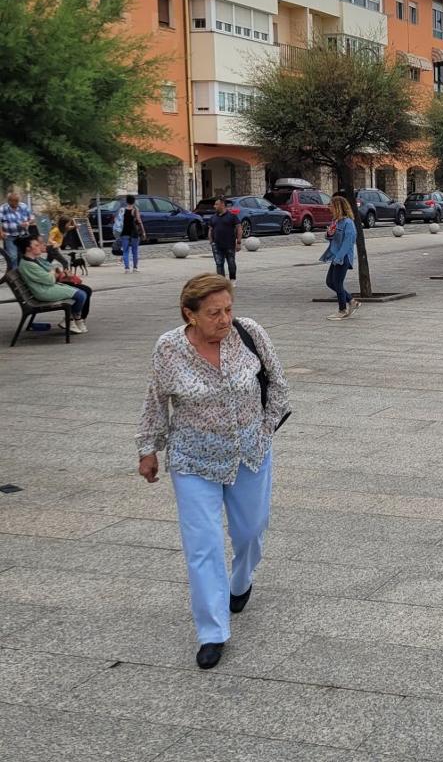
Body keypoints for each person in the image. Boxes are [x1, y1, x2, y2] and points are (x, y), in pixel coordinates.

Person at [137, 273, 289, 670]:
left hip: (248, 455)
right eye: (213, 313)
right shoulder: (169, 348)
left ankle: (241, 580)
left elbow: (277, 383)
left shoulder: (248, 333)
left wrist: (265, 429)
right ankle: (212, 631)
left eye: (228, 310)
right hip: (192, 460)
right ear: (190, 314)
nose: (224, 319)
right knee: (202, 546)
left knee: (251, 531)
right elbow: (156, 401)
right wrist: (147, 448)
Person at [16, 235, 91, 333]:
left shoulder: (31, 261)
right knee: (81, 295)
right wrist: (53, 273)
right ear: (28, 248)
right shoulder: (29, 264)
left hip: (46, 288)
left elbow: (50, 273)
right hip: (44, 291)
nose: (40, 246)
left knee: (82, 293)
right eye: (36, 245)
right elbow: (50, 279)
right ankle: (72, 319)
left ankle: (74, 318)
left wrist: (53, 273)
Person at [320, 195, 358, 320]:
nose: (329, 207)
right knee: (330, 282)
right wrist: (329, 234)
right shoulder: (336, 221)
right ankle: (352, 301)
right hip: (336, 256)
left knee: (337, 283)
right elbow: (332, 239)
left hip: (343, 257)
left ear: (338, 207)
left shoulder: (348, 223)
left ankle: (342, 310)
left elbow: (348, 242)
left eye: (331, 205)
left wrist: (339, 258)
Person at [207, 197, 242, 282]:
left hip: (229, 244)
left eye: (216, 204)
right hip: (217, 245)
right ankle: (221, 281)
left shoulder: (232, 216)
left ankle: (232, 280)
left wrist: (238, 242)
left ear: (222, 204)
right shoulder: (213, 217)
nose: (214, 206)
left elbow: (239, 228)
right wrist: (211, 241)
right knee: (219, 264)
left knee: (231, 262)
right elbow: (210, 229)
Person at [113, 194, 147, 273]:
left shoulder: (122, 210)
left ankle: (127, 268)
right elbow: (139, 221)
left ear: (126, 201)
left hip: (124, 232)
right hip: (134, 232)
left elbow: (117, 220)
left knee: (125, 251)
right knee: (135, 251)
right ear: (134, 201)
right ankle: (135, 268)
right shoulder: (135, 209)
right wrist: (143, 232)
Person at [1, 191, 34, 267]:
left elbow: (32, 218)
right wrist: (1, 232)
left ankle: (21, 273)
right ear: (9, 201)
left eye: (17, 201)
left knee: (22, 255)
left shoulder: (24, 206)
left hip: (23, 235)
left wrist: (27, 223)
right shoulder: (3, 208)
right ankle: (13, 274)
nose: (16, 203)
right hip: (9, 236)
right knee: (13, 256)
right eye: (14, 201)